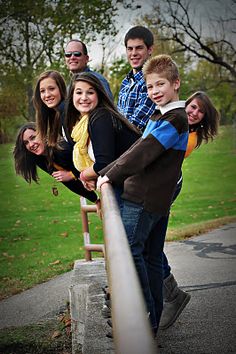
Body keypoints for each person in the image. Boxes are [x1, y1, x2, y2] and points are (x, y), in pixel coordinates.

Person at [97, 54, 189, 334]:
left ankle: (140, 318)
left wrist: (109, 175)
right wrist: (105, 172)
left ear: (176, 83)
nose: (154, 91)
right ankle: (151, 322)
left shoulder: (175, 119)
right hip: (149, 199)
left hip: (145, 200)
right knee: (149, 256)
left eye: (160, 84)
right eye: (149, 87)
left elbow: (143, 153)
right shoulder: (160, 115)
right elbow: (135, 148)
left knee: (129, 252)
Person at [159, 91, 220, 330]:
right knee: (146, 245)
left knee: (149, 245)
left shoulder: (189, 138)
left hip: (167, 186)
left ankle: (171, 295)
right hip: (162, 183)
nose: (193, 112)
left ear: (203, 117)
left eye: (199, 111)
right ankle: (165, 296)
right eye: (191, 106)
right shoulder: (176, 122)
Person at [65, 72, 141, 196]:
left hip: (140, 184)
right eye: (79, 92)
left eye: (90, 92)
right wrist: (93, 177)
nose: (84, 97)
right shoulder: (84, 124)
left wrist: (83, 175)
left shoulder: (101, 116)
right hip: (127, 183)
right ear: (72, 96)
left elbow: (104, 164)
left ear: (98, 95)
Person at [13, 122, 99, 204]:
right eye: (26, 143)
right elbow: (70, 183)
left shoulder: (62, 149)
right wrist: (96, 200)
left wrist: (72, 174)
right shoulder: (39, 158)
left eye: (33, 138)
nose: (31, 144)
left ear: (43, 134)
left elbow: (90, 164)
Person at [117, 26, 156, 132]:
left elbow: (135, 126)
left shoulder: (152, 82)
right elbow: (118, 118)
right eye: (130, 49)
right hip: (121, 142)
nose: (133, 53)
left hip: (139, 144)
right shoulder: (125, 82)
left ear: (150, 49)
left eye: (139, 48)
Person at [33, 70, 73, 147]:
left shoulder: (68, 111)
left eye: (51, 89)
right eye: (42, 91)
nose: (47, 95)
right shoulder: (57, 114)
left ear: (61, 89)